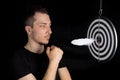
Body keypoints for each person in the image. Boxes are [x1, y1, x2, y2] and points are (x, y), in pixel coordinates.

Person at [11, 7, 72, 80]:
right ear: (29, 30)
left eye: (49, 25)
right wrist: (53, 61)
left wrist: (55, 58)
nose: (50, 31)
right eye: (43, 26)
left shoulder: (54, 52)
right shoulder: (19, 58)